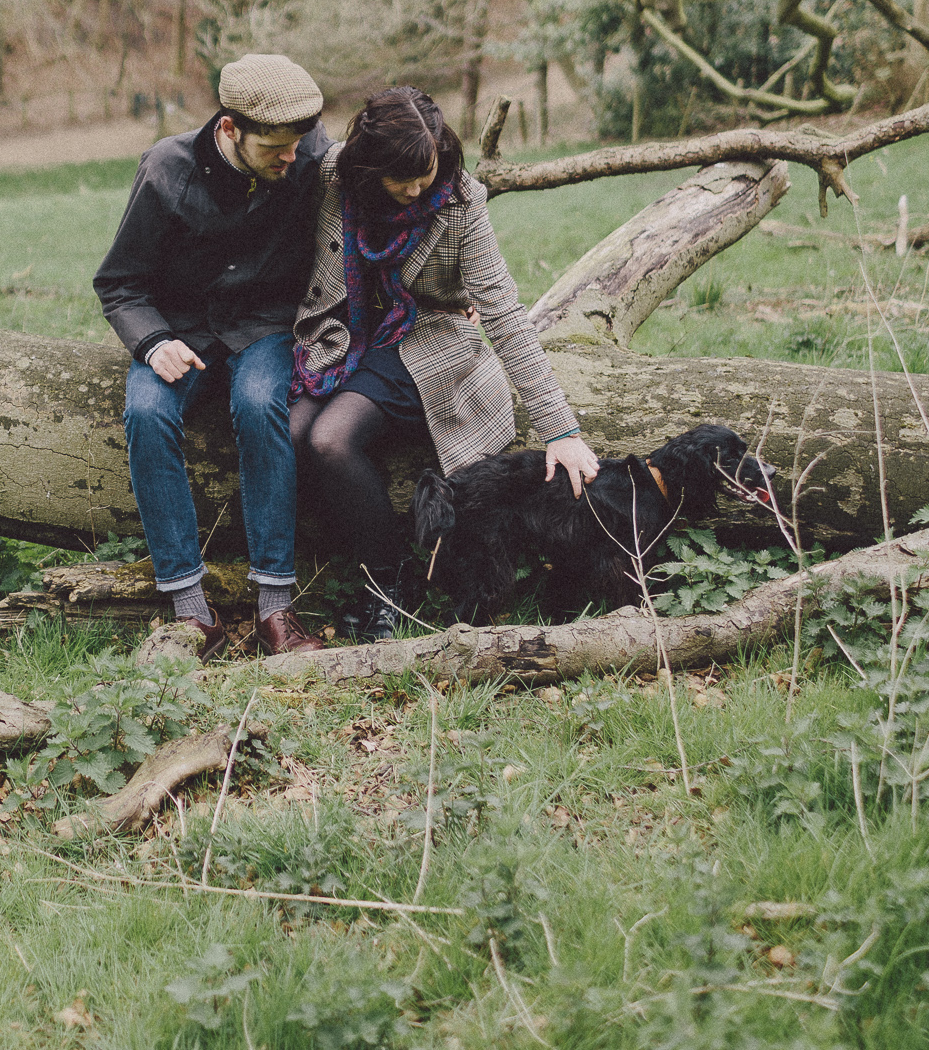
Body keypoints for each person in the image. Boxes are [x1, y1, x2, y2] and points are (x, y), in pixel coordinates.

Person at [290, 85, 600, 640]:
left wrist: (561, 430)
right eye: (400, 179)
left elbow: (503, 309)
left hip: (429, 338)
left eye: (424, 174)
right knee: (291, 434)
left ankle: (389, 583)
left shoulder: (460, 200)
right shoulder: (336, 175)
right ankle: (317, 574)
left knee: (330, 440)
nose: (415, 190)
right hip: (343, 332)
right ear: (369, 166)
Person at [93, 54, 333, 657]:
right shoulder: (165, 169)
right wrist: (153, 341)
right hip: (178, 331)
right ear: (229, 128)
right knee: (147, 414)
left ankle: (276, 608)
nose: (291, 157)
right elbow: (119, 283)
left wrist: (444, 291)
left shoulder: (312, 155)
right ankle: (191, 613)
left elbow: (384, 209)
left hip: (266, 327)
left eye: (298, 143)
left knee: (260, 405)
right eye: (275, 147)